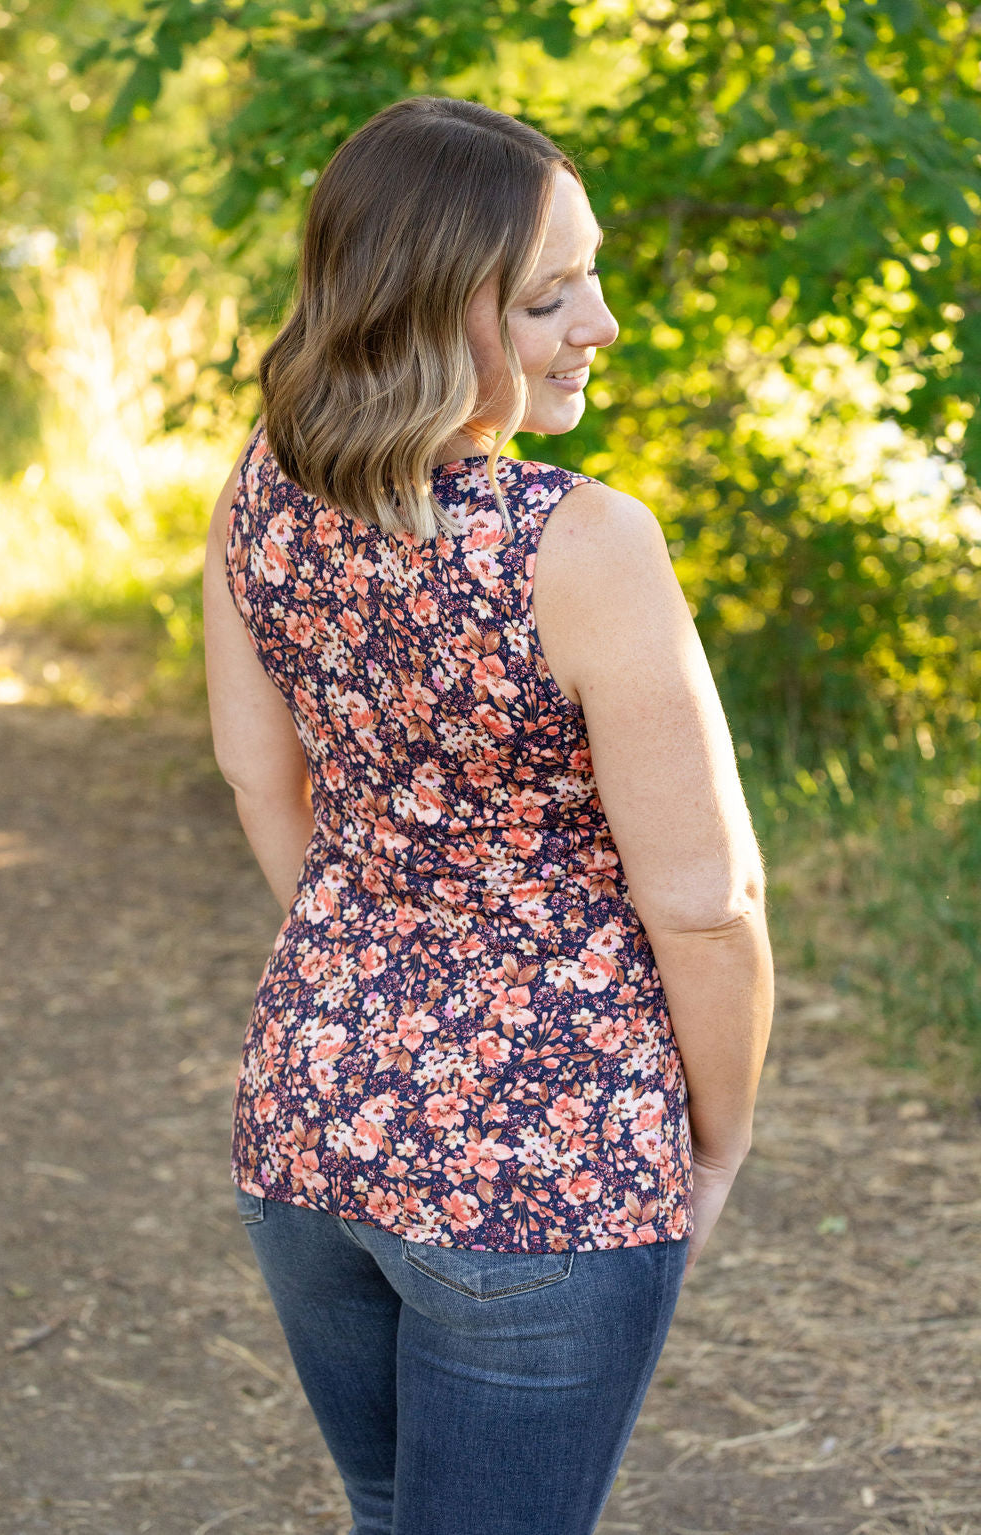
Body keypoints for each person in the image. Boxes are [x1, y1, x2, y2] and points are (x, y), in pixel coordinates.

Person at [203, 95, 773, 1535]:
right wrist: (713, 1145)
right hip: (553, 1168)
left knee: (398, 1513)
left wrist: (379, 983)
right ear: (421, 307)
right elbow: (707, 906)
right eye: (547, 297)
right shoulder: (583, 544)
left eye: (589, 273)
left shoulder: (259, 488)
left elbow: (259, 778)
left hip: (310, 1126)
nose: (602, 322)